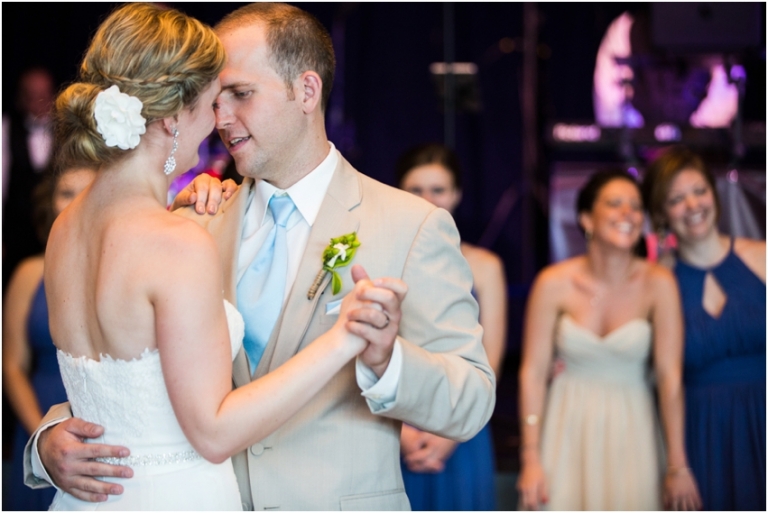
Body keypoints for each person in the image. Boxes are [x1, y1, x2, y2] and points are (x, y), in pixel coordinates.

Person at [24, 3, 496, 511]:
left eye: (240, 94)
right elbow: (135, 385)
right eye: (213, 97)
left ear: (306, 91)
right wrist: (47, 443)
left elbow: (472, 398)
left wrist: (386, 362)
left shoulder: (410, 224)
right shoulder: (189, 222)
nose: (221, 118)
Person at [516, 169, 701, 510]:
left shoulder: (658, 283)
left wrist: (677, 463)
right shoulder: (553, 283)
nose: (628, 214)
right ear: (586, 218)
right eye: (615, 203)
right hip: (565, 425)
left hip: (634, 425)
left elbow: (669, 377)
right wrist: (530, 458)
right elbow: (532, 373)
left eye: (635, 206)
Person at [642, 146, 766, 510]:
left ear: (714, 194)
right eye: (676, 199)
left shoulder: (762, 257)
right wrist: (677, 464)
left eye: (699, 191)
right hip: (699, 431)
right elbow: (651, 367)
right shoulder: (657, 279)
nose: (693, 205)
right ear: (662, 213)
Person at [394, 143, 506, 511]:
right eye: (416, 189)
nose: (428, 199)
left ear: (456, 194)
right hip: (394, 424)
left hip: (463, 426)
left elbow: (491, 360)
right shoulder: (382, 256)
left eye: (438, 189)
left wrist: (451, 434)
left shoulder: (485, 265)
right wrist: (403, 432)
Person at [3, 164, 97, 511]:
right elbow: (11, 365)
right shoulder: (29, 273)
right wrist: (41, 435)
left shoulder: (115, 267)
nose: (74, 202)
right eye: (65, 193)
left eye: (85, 192)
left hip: (94, 415)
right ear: (50, 202)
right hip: (38, 410)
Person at [3, 68, 56, 292]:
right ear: (21, 98)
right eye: (32, 96)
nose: (39, 102)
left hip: (55, 230)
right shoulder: (6, 130)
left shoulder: (65, 131)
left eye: (44, 95)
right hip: (16, 234)